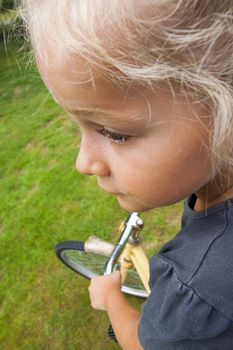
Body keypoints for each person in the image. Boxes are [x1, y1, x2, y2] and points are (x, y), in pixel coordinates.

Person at [21, 0, 233, 349]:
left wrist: (112, 301)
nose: (83, 163)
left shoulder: (194, 288)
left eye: (115, 132)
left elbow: (141, 345)